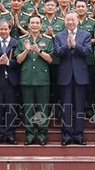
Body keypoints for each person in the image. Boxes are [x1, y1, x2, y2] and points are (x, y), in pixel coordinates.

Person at [54, 10, 92, 146]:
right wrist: (67, 45)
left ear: (78, 21)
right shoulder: (59, 36)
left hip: (80, 76)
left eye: (72, 20)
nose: (70, 22)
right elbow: (57, 52)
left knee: (79, 107)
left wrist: (75, 45)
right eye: (67, 20)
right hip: (65, 76)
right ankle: (66, 135)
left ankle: (79, 135)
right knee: (66, 107)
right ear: (64, 21)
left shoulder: (85, 35)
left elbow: (88, 52)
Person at [15, 15, 54, 146]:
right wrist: (26, 50)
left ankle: (42, 134)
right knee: (28, 108)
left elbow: (50, 59)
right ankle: (30, 134)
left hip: (42, 79)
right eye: (32, 23)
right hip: (27, 79)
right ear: (28, 25)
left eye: (37, 23)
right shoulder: (22, 40)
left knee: (43, 108)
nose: (35, 25)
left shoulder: (47, 40)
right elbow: (19, 60)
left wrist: (39, 51)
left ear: (41, 25)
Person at [0, 20, 20, 145]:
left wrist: (8, 62)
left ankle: (10, 134)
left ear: (10, 29)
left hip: (11, 81)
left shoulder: (16, 43)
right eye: (1, 29)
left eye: (6, 29)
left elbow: (19, 61)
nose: (3, 31)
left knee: (11, 109)